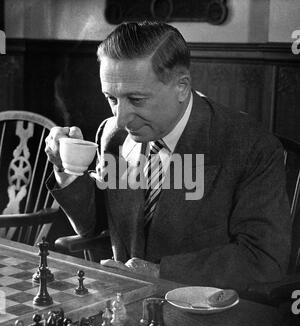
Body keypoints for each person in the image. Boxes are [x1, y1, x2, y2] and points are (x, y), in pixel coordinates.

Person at [45, 21, 291, 293]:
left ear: (182, 87)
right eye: (111, 98)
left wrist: (159, 273)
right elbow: (94, 227)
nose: (121, 118)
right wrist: (66, 170)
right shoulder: (113, 135)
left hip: (207, 315)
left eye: (136, 100)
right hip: (125, 307)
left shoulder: (250, 146)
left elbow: (264, 259)